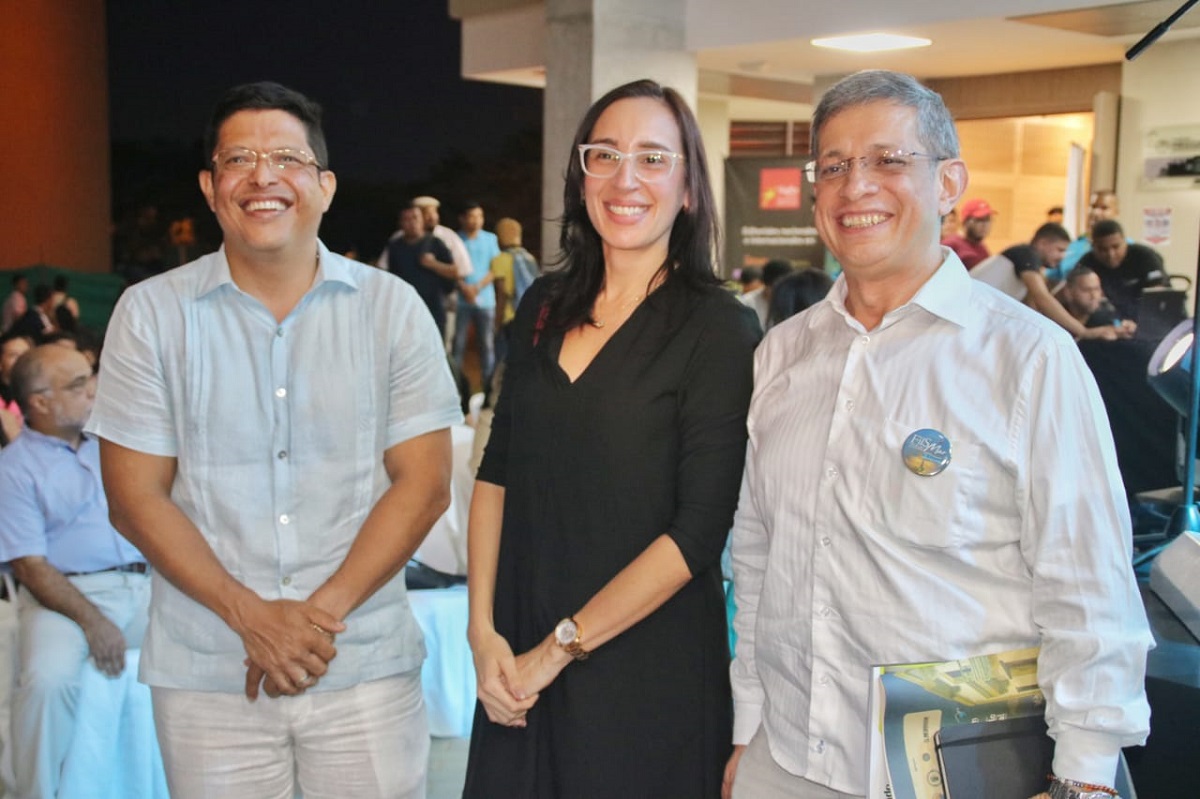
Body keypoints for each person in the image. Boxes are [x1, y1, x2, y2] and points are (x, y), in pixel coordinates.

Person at [725, 70, 1151, 799]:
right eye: (833, 166)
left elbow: (1088, 589)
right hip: (789, 756)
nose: (856, 186)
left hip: (957, 772)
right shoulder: (783, 353)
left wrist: (1086, 776)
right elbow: (761, 556)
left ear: (949, 181)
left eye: (889, 160)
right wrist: (748, 728)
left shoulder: (1027, 358)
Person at [85, 81, 461, 799]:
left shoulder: (391, 309)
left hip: (362, 669)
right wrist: (252, 618)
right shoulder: (151, 315)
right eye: (240, 159)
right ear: (210, 185)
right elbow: (134, 498)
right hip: (209, 673)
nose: (263, 176)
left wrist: (308, 625)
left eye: (287, 158)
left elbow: (423, 485)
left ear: (324, 186)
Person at [463, 78, 759, 798]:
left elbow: (697, 533)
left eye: (654, 158)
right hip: (514, 671)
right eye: (605, 154)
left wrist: (556, 650)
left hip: (642, 678)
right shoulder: (543, 303)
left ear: (688, 187)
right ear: (582, 174)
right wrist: (482, 634)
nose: (626, 178)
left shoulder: (719, 327)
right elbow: (496, 473)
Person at [0, 344, 150, 799]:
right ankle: (38, 793)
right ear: (41, 402)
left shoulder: (115, 446)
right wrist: (93, 621)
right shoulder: (13, 468)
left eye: (91, 377)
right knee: (48, 682)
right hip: (63, 600)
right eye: (79, 384)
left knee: (208, 655)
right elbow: (31, 567)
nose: (94, 391)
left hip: (145, 584)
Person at [972, 223, 1126, 341]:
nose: (1062, 257)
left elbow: (1031, 311)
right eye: (1060, 250)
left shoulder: (1031, 267)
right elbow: (1042, 299)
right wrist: (1083, 332)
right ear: (1043, 244)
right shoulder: (1027, 254)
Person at [385, 203, 459, 335]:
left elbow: (454, 272)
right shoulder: (395, 246)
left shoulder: (435, 242)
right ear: (401, 223)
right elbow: (391, 277)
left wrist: (434, 264)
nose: (412, 223)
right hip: (405, 310)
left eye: (415, 218)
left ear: (422, 220)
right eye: (407, 219)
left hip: (434, 309)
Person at [1079, 218, 1170, 322]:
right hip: (1106, 321)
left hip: (1150, 317)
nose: (1110, 254)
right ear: (1093, 247)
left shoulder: (1145, 256)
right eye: (1103, 249)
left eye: (1116, 247)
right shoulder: (1086, 263)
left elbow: (1158, 292)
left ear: (1125, 242)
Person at [453, 201, 501, 391]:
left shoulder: (490, 239)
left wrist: (477, 287)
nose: (476, 220)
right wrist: (464, 287)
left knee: (487, 345)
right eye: (472, 216)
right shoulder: (456, 239)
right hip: (461, 301)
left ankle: (488, 388)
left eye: (479, 216)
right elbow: (451, 267)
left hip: (485, 300)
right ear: (463, 218)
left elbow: (495, 268)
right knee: (458, 344)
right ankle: (456, 387)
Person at [489, 217, 540, 369]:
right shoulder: (529, 258)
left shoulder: (500, 260)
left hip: (510, 318)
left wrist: (496, 325)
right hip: (530, 315)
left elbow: (501, 295)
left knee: (503, 363)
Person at [1052, 189, 1120, 281]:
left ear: (1116, 212)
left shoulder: (1128, 248)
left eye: (1104, 208)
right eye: (1093, 206)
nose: (1096, 213)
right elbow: (1051, 282)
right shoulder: (1070, 246)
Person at [1059, 265, 1132, 333]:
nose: (1094, 296)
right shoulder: (1055, 319)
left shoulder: (1107, 320)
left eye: (1096, 289)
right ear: (1068, 293)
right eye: (1086, 290)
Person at [940, 197, 993, 268]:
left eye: (987, 220)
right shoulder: (951, 244)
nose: (984, 225)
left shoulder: (982, 248)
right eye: (979, 220)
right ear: (965, 221)